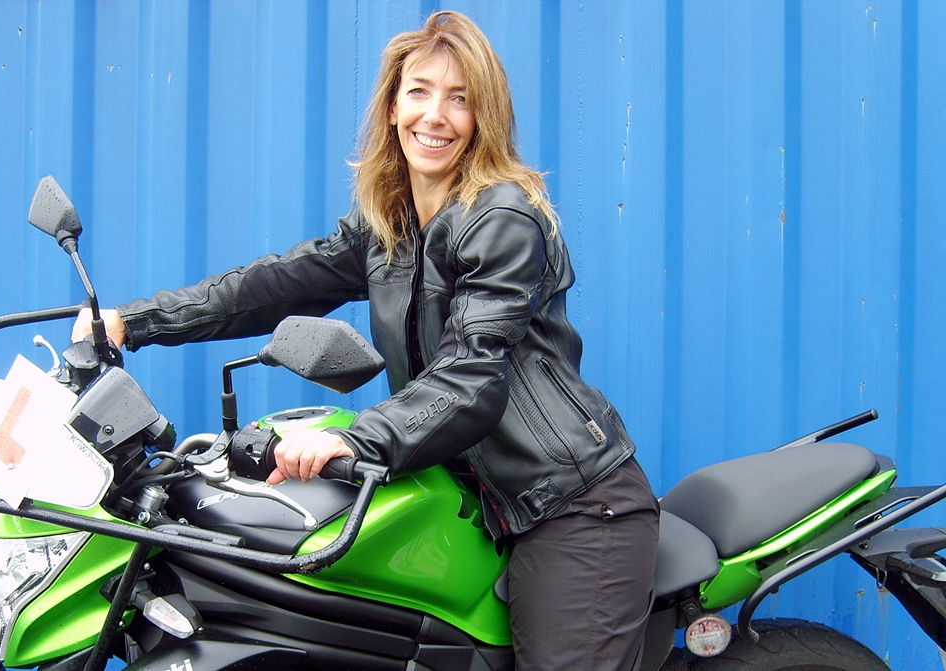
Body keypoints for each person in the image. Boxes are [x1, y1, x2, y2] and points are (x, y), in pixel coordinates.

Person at [74, 11, 659, 671]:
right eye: (419, 92)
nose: (435, 115)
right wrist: (134, 321)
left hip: (573, 506)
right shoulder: (390, 225)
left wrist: (357, 438)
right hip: (473, 497)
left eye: (459, 98)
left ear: (483, 117)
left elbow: (471, 377)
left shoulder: (502, 219)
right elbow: (271, 286)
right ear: (391, 107)